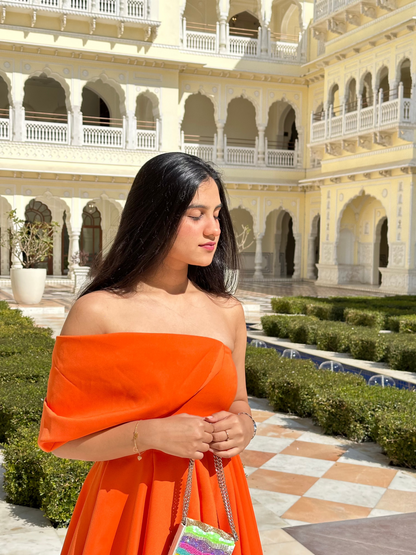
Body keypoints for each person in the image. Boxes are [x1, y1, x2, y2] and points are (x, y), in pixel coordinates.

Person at [38, 152, 263, 555]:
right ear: (154, 216)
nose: (214, 229)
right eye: (196, 214)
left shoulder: (228, 311)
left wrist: (244, 426)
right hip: (128, 505)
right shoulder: (99, 312)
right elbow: (63, 439)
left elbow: (239, 401)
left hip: (214, 502)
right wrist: (152, 434)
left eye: (216, 214)